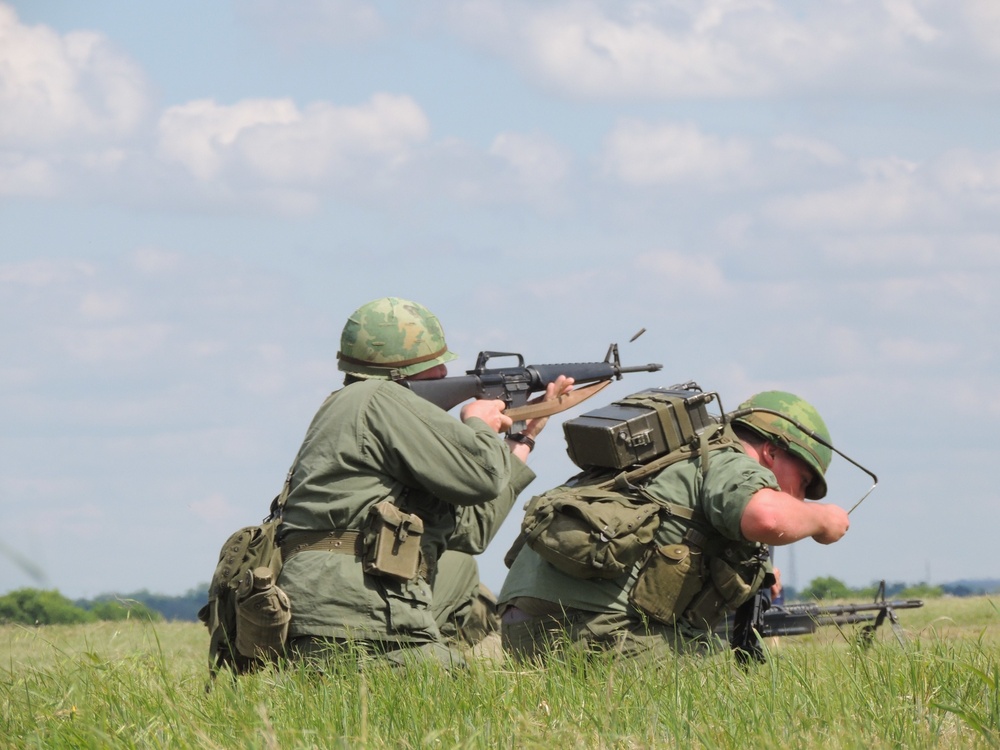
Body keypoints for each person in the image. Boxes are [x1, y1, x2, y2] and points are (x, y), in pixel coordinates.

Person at [275, 297, 572, 669]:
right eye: (435, 365)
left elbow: (471, 531)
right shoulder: (382, 399)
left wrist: (522, 438)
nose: (445, 372)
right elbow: (483, 477)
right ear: (403, 370)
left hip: (337, 609)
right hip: (354, 618)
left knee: (461, 568)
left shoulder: (356, 404)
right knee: (472, 699)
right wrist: (478, 422)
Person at [498, 390, 851, 663]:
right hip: (588, 630)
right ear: (772, 452)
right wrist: (824, 520)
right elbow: (767, 517)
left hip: (525, 627)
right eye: (803, 482)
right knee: (719, 681)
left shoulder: (680, 456)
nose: (800, 498)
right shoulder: (732, 462)